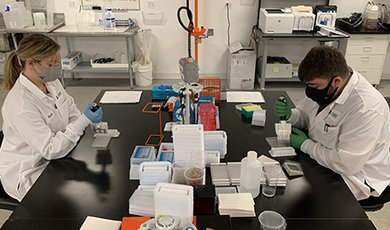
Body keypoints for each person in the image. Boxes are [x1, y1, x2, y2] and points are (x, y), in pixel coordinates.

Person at [274, 46, 390, 208]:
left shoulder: (366, 108)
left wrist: (305, 144)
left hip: (356, 177)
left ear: (336, 81)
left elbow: (346, 164)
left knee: (301, 204)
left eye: (314, 86)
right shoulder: (328, 88)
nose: (310, 91)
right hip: (323, 157)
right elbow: (306, 116)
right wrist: (291, 116)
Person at [0, 34, 103, 201]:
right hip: (29, 171)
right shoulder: (21, 106)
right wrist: (81, 123)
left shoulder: (50, 81)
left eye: (57, 61)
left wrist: (79, 121)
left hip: (56, 156)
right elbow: (50, 150)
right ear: (31, 63)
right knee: (73, 202)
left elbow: (71, 110)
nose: (56, 67)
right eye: (51, 63)